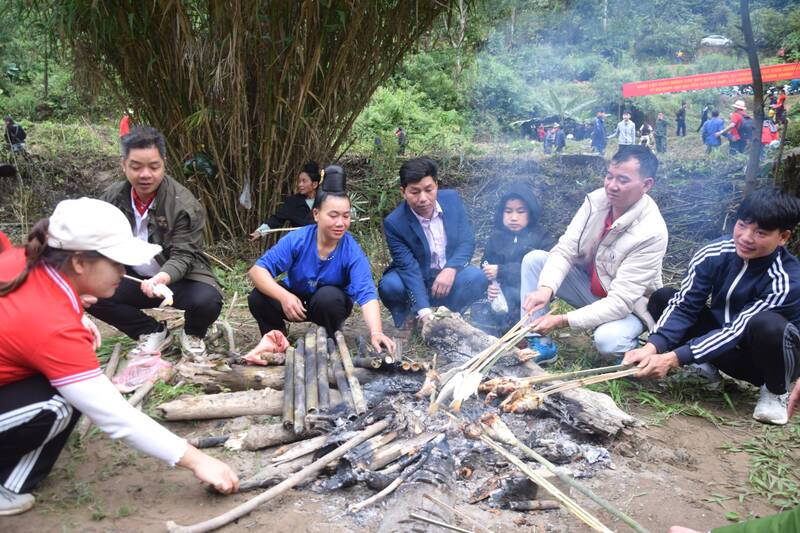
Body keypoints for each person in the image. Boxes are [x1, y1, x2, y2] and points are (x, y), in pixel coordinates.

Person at [0, 198, 238, 516]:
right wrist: (197, 460)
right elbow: (113, 414)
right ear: (80, 262)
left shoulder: (25, 261)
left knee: (64, 390)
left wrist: (77, 314)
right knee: (59, 403)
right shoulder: (51, 324)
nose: (124, 272)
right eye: (115, 262)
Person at [625, 188, 800, 425]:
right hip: (723, 346)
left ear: (783, 237)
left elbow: (737, 330)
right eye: (742, 225)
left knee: (768, 324)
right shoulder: (714, 253)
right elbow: (685, 306)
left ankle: (775, 391)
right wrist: (653, 347)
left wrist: (674, 358)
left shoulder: (787, 279)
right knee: (664, 298)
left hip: (762, 362)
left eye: (760, 232)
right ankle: (704, 367)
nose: (746, 237)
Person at [521, 146, 668, 364]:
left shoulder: (651, 232)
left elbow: (620, 302)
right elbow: (565, 250)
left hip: (629, 307)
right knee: (535, 261)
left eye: (623, 180)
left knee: (608, 341)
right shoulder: (596, 201)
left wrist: (562, 320)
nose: (612, 186)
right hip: (592, 288)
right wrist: (546, 288)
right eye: (609, 176)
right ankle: (539, 342)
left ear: (646, 185)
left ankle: (628, 346)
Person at [87, 127, 223, 359]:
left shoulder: (183, 204)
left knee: (208, 300)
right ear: (124, 164)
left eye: (154, 166)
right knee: (90, 292)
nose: (145, 175)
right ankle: (151, 331)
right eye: (136, 167)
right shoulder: (112, 198)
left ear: (164, 163)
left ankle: (193, 334)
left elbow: (184, 256)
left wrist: (161, 278)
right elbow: (98, 242)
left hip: (178, 279)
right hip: (130, 276)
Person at [248, 165, 395, 354]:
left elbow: (366, 294)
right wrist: (284, 296)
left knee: (328, 298)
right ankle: (276, 340)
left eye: (346, 216)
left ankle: (330, 339)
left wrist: (377, 332)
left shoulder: (351, 250)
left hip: (327, 304)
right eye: (333, 215)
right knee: (258, 297)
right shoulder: (299, 239)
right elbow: (257, 270)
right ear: (316, 214)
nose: (340, 223)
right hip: (296, 299)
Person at [379, 157, 488, 329]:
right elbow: (409, 268)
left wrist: (451, 268)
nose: (423, 198)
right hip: (417, 279)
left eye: (428, 190)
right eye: (414, 192)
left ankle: (451, 315)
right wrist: (425, 313)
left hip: (447, 278)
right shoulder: (395, 223)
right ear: (403, 192)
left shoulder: (452, 200)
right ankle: (409, 318)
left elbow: (467, 241)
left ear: (436, 185)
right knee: (390, 285)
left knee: (477, 277)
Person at [476, 183, 555, 334]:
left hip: (531, 295)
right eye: (508, 211)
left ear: (530, 213)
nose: (513, 218)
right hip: (503, 294)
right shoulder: (496, 237)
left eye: (520, 212)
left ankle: (528, 333)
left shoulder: (541, 236)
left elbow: (546, 268)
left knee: (518, 297)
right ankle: (498, 331)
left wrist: (502, 271)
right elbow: (485, 264)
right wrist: (492, 285)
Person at [249, 161, 321, 240]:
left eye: (304, 181)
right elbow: (277, 219)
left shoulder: (325, 201)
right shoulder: (293, 202)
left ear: (314, 184)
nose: (300, 184)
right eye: (299, 181)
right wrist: (259, 232)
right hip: (300, 244)